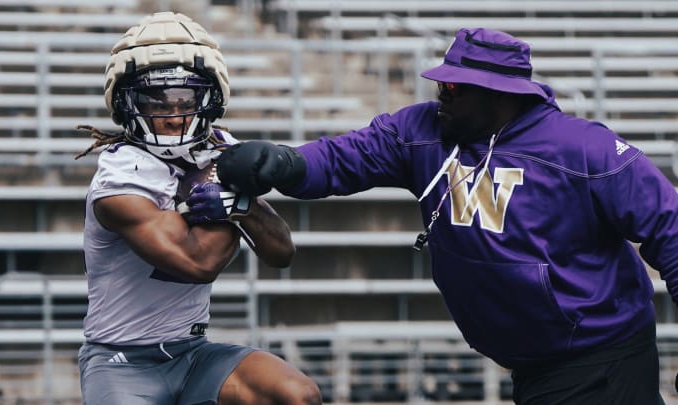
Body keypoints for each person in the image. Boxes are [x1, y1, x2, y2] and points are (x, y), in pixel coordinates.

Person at [215, 27, 678, 404]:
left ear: (501, 93)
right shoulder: (422, 130)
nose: (442, 94)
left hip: (602, 360)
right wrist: (283, 163)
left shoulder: (583, 149)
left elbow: (670, 228)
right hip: (532, 364)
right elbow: (343, 158)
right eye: (441, 83)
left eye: (455, 87)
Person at [75, 11, 322, 405]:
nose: (173, 115)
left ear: (211, 99)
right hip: (121, 360)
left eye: (185, 99)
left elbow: (281, 252)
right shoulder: (118, 177)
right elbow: (196, 262)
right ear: (126, 105)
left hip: (191, 353)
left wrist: (240, 206)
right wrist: (224, 188)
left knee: (295, 394)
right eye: (154, 101)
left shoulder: (220, 148)